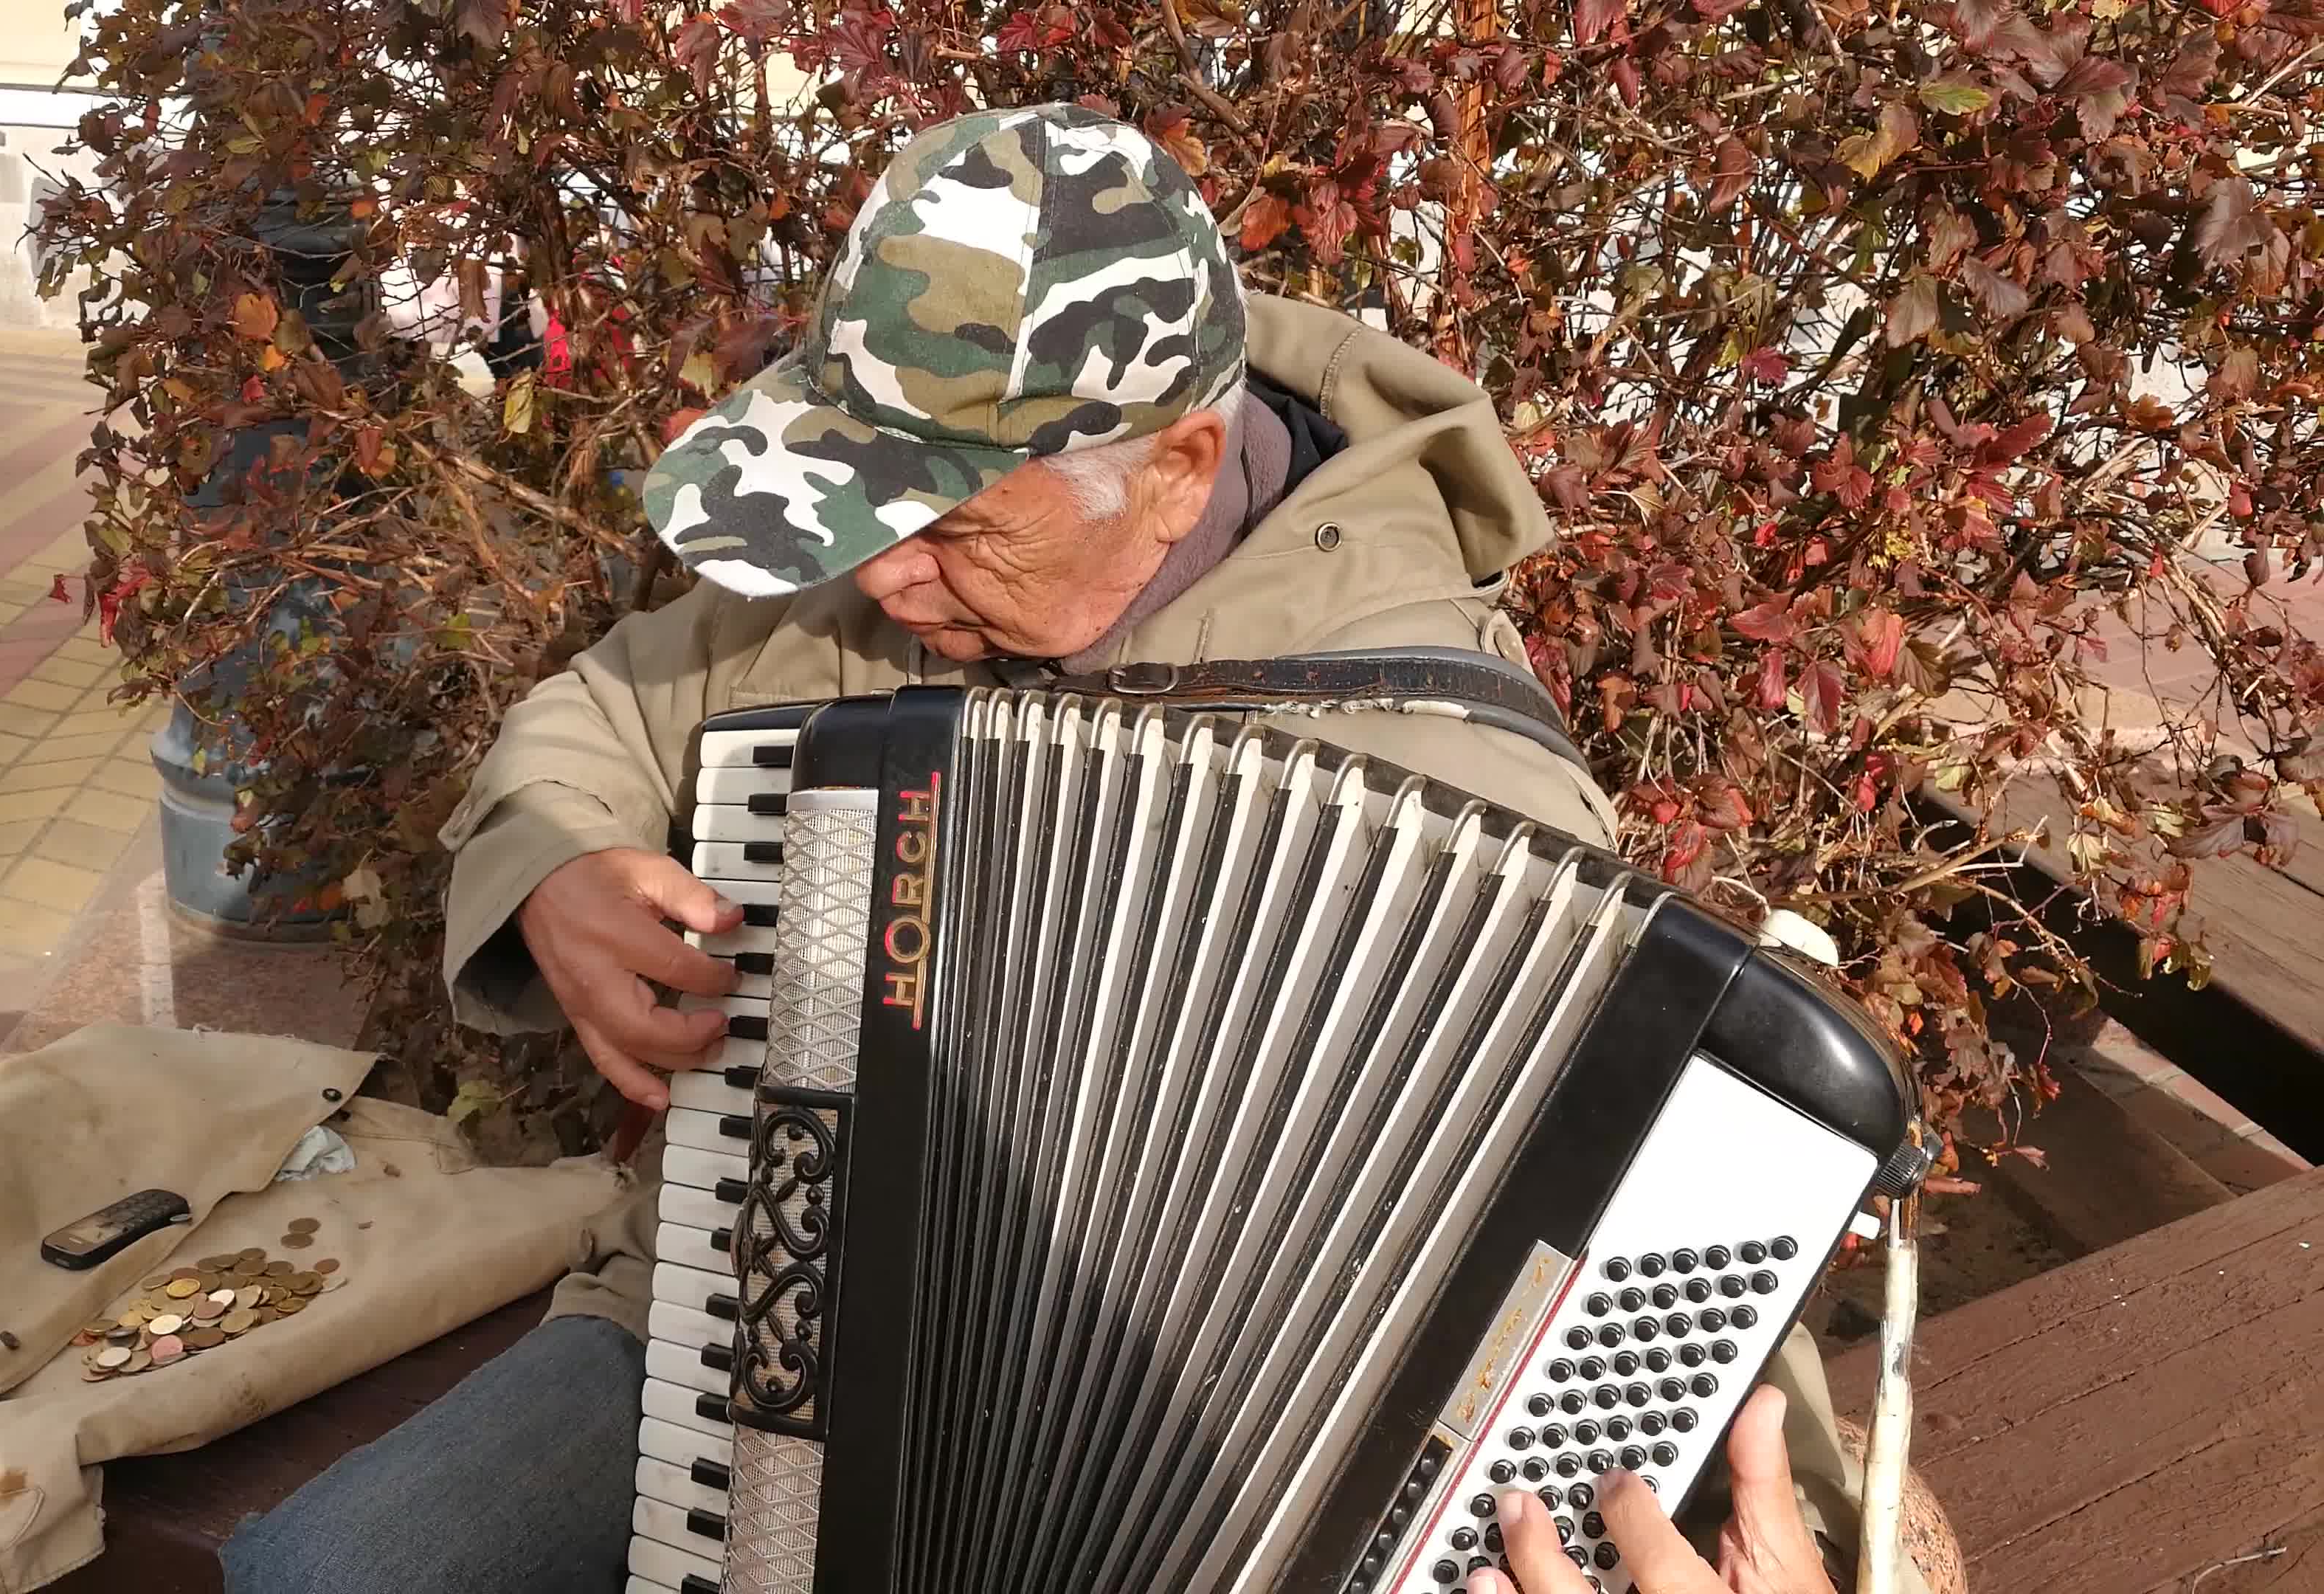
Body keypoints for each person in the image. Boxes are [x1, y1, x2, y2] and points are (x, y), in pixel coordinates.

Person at [221, 104, 1934, 1594]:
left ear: (1178, 468)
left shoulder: (1464, 783)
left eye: (951, 528)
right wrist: (554, 868)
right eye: (859, 514)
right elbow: (599, 713)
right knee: (320, 1569)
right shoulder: (878, 583)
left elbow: (1655, 1349)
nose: (879, 577)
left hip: (1214, 1509)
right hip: (735, 1309)